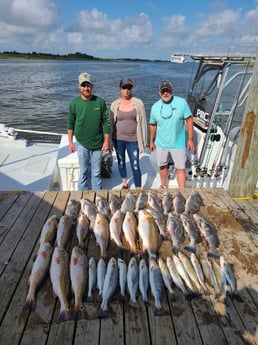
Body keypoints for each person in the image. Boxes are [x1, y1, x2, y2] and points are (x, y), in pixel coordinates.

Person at [67, 72, 111, 190]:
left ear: (92, 86)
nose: (86, 88)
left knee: (96, 172)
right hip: (82, 143)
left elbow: (106, 123)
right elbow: (70, 123)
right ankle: (82, 197)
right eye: (83, 85)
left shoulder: (100, 102)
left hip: (98, 144)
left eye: (88, 85)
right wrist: (70, 142)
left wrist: (106, 142)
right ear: (79, 86)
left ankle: (97, 197)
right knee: (83, 172)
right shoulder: (74, 103)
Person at [149, 80, 194, 188]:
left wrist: (190, 139)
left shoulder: (181, 102)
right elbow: (152, 125)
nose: (166, 93)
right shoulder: (155, 106)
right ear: (159, 92)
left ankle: (182, 191)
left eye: (168, 90)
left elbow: (189, 120)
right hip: (161, 143)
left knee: (180, 168)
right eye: (163, 91)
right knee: (162, 166)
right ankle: (163, 186)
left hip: (178, 143)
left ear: (172, 90)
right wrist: (151, 141)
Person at [110, 78, 147, 189]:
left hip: (133, 140)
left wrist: (143, 142)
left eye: (129, 88)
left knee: (135, 165)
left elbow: (143, 124)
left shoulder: (138, 103)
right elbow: (111, 123)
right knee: (121, 163)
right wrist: (109, 141)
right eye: (124, 87)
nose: (126, 90)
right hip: (118, 139)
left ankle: (138, 188)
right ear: (120, 88)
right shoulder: (114, 104)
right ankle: (125, 183)